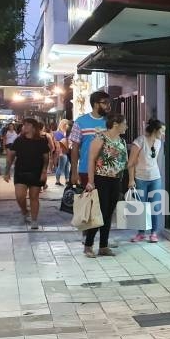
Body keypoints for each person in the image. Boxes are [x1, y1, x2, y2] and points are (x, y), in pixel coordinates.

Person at [84, 113, 128, 258]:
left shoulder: (121, 140)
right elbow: (91, 160)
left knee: (109, 213)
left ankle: (103, 245)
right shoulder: (100, 138)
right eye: (124, 123)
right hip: (101, 179)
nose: (126, 126)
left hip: (116, 180)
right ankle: (88, 245)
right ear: (116, 124)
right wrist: (91, 181)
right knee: (99, 213)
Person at [71, 91, 111, 243]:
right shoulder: (80, 122)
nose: (108, 106)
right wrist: (74, 171)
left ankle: (102, 239)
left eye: (108, 103)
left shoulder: (109, 122)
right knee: (90, 202)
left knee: (103, 205)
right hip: (86, 170)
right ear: (95, 104)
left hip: (106, 170)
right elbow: (74, 148)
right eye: (105, 102)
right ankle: (87, 235)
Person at [3, 118, 50, 230]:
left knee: (34, 197)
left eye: (27, 125)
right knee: (20, 196)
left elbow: (46, 158)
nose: (24, 127)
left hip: (36, 172)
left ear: (33, 128)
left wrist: (44, 172)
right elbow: (11, 156)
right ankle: (24, 211)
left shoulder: (42, 141)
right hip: (21, 172)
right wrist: (7, 172)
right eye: (24, 125)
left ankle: (34, 220)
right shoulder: (19, 140)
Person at [128, 118, 165, 243]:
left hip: (155, 178)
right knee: (141, 207)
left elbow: (153, 161)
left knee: (155, 206)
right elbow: (131, 163)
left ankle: (153, 233)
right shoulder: (139, 141)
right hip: (140, 178)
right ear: (155, 130)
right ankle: (141, 233)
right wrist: (131, 179)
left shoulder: (159, 142)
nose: (163, 134)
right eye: (162, 131)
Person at [54, 119, 71, 186]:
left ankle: (67, 180)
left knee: (67, 166)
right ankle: (57, 181)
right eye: (66, 124)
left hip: (66, 151)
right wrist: (60, 152)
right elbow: (57, 143)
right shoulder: (58, 133)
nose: (67, 125)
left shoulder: (65, 132)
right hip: (62, 151)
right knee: (61, 166)